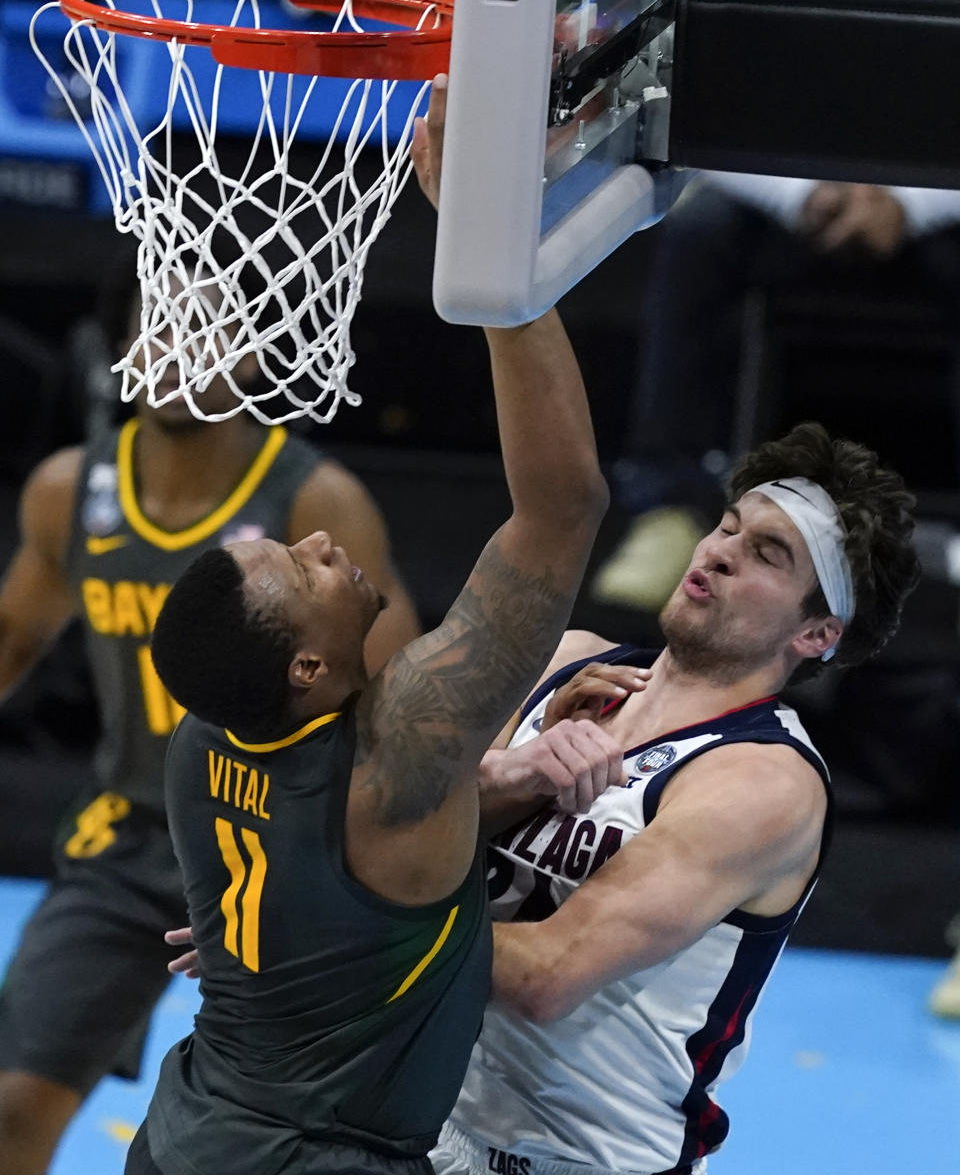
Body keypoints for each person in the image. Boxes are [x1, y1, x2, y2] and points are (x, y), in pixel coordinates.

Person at [123, 73, 610, 1175]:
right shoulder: (401, 753)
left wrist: (521, 776)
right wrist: (499, 266)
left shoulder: (204, 743)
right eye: (300, 569)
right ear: (306, 664)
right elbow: (562, 511)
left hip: (190, 1133)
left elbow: (362, 855)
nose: (319, 544)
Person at [0, 256, 421, 1175]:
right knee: (9, 1107)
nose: (184, 346)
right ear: (121, 348)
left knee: (276, 1143)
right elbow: (9, 644)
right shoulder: (70, 491)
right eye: (163, 322)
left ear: (251, 351)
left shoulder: (315, 500)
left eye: (212, 326)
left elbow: (402, 698)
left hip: (286, 850)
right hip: (132, 840)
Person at [428, 421, 919, 1175]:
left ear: (817, 631)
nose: (719, 551)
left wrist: (327, 922)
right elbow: (408, 828)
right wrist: (508, 779)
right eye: (728, 527)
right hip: (429, 1121)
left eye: (767, 554)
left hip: (579, 1163)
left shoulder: (763, 782)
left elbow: (544, 978)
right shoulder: (566, 664)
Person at [591, 0, 960, 612]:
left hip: (934, 218)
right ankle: (668, 503)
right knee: (696, 233)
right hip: (801, 210)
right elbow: (703, 108)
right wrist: (804, 195)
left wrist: (908, 204)